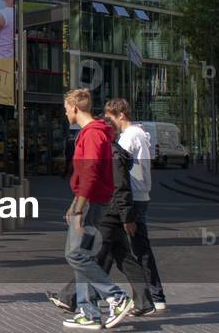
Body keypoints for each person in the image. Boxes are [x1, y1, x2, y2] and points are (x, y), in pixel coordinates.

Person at [48, 114, 154, 316]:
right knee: (123, 257)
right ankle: (143, 301)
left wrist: (127, 217)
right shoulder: (113, 151)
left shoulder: (112, 154)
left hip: (107, 213)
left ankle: (91, 301)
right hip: (112, 211)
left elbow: (119, 187)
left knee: (89, 257)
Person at [61, 88, 135, 330]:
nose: (64, 112)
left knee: (76, 255)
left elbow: (91, 174)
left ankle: (116, 297)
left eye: (65, 108)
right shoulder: (94, 132)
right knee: (83, 256)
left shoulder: (92, 134)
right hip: (91, 200)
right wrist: (74, 204)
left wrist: (80, 208)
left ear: (73, 108)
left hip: (92, 202)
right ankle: (89, 313)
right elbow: (85, 176)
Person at [106, 98, 167, 310]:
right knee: (134, 247)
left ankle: (152, 296)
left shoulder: (130, 136)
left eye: (111, 117)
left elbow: (119, 165)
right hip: (139, 194)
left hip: (133, 195)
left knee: (133, 248)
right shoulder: (137, 134)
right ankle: (151, 296)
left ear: (121, 115)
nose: (109, 121)